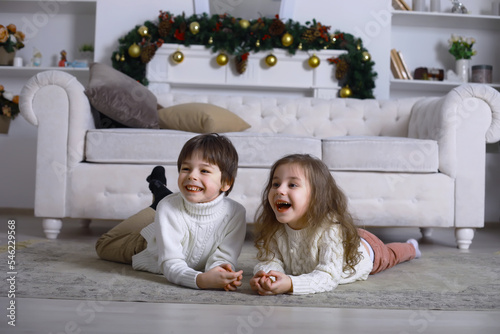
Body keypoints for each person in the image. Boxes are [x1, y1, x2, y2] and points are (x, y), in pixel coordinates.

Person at [250, 154, 421, 296]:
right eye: (276, 184)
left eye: (292, 185)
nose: (280, 190)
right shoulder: (275, 228)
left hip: (368, 250)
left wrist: (291, 284)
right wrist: (268, 276)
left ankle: (411, 247)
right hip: (345, 238)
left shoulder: (329, 229)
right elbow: (270, 259)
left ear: (316, 196)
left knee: (392, 255)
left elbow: (327, 276)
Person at [95, 133, 247, 291]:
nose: (192, 175)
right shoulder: (168, 208)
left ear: (226, 182)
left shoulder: (235, 213)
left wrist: (220, 271)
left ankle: (160, 194)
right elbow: (170, 263)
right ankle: (159, 200)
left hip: (170, 211)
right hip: (147, 246)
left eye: (204, 171)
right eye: (186, 168)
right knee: (103, 245)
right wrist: (200, 280)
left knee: (167, 205)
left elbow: (224, 256)